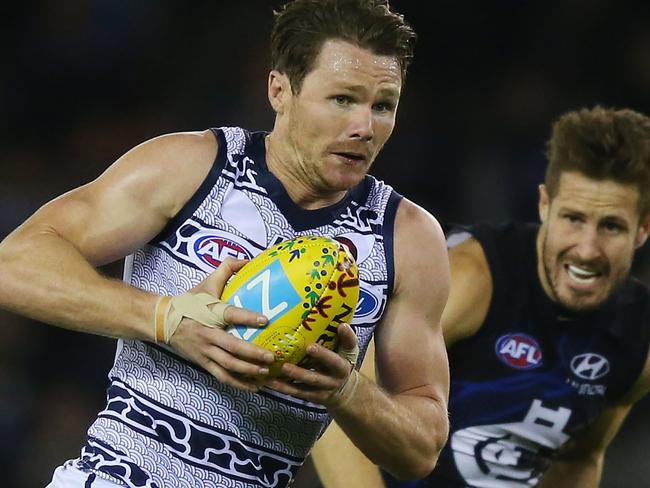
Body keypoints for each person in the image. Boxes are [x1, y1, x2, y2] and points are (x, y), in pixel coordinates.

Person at [0, 1, 452, 487]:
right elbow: (14, 266)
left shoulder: (407, 239)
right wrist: (166, 319)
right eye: (343, 99)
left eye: (383, 105)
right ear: (279, 90)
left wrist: (347, 391)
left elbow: (422, 448)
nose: (365, 126)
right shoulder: (190, 168)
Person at [311, 105, 650, 488]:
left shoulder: (637, 340)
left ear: (642, 229)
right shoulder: (472, 279)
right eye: (573, 219)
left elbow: (579, 456)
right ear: (544, 204)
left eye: (611, 227)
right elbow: (338, 404)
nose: (587, 249)